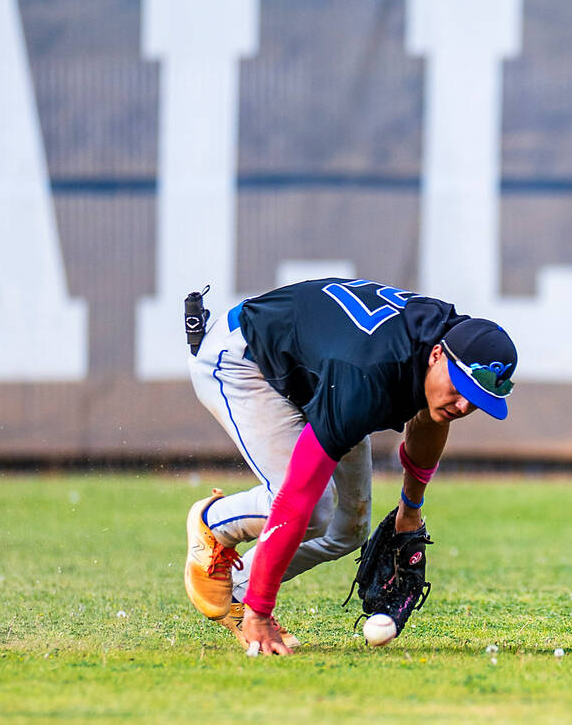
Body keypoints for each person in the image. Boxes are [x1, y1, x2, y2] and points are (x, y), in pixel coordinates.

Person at [182, 277, 517, 655]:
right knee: (315, 509)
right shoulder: (367, 380)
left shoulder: (450, 339)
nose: (462, 406)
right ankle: (213, 524)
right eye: (459, 390)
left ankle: (241, 589)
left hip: (317, 372)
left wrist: (411, 508)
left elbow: (431, 419)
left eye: (475, 401)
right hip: (246, 361)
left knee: (348, 529)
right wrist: (261, 612)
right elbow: (297, 495)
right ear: (437, 355)